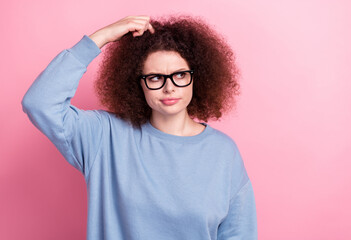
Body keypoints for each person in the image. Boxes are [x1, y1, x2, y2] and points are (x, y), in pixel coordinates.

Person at [21, 15, 257, 240]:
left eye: (180, 75)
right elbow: (39, 103)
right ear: (138, 84)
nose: (169, 88)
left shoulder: (223, 152)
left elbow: (239, 234)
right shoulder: (105, 137)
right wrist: (100, 37)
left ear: (196, 77)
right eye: (155, 78)